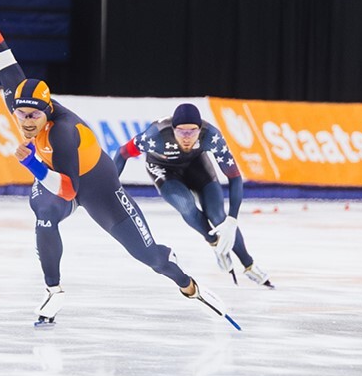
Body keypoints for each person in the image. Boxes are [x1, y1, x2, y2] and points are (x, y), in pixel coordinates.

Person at [0, 0, 231, 326]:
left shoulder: (63, 132)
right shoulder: (15, 95)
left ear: (48, 111)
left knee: (149, 257)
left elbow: (69, 189)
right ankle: (53, 290)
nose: (27, 123)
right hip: (61, 176)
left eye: (34, 116)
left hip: (98, 187)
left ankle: (189, 286)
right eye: (21, 115)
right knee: (44, 213)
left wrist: (32, 162)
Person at [113, 103, 274, 289]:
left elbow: (235, 176)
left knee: (218, 216)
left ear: (200, 129)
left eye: (192, 131)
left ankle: (249, 265)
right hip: (164, 169)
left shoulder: (211, 136)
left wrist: (232, 220)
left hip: (196, 165)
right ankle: (214, 242)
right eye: (181, 132)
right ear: (173, 129)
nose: (187, 137)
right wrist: (110, 188)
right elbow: (122, 153)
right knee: (186, 205)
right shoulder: (155, 136)